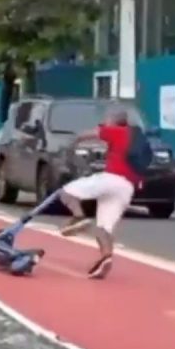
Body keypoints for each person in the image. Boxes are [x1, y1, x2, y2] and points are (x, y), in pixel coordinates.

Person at [57, 108, 141, 279]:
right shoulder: (135, 137)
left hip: (111, 178)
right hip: (127, 187)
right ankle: (106, 257)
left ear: (115, 120)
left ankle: (79, 216)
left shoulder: (117, 131)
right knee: (104, 227)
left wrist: (70, 143)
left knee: (66, 192)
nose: (105, 122)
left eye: (107, 119)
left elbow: (88, 135)